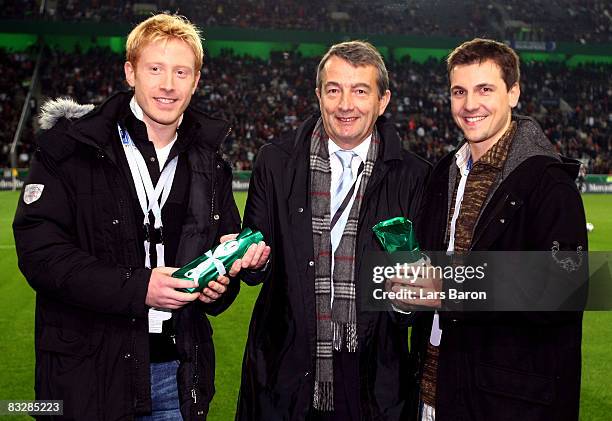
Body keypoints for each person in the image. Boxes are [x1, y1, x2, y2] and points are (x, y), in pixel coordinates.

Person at [13, 13, 267, 420]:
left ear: (196, 80)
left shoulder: (211, 161)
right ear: (130, 72)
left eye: (181, 71)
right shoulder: (70, 147)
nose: (168, 84)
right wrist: (139, 287)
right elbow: (40, 255)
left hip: (177, 375)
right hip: (86, 377)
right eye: (155, 69)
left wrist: (218, 286)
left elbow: (220, 257)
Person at [236, 40, 430, 420]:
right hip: (286, 367)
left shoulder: (414, 175)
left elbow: (418, 294)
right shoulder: (275, 161)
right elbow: (257, 261)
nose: (346, 105)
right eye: (334, 90)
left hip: (374, 375)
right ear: (319, 95)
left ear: (383, 100)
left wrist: (411, 294)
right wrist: (249, 260)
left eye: (360, 91)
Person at [397, 38, 587, 421]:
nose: (470, 105)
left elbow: (564, 290)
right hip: (432, 392)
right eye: (459, 91)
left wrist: (449, 288)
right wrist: (406, 291)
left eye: (485, 89)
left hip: (504, 403)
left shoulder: (549, 183)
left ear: (513, 93)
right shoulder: (444, 172)